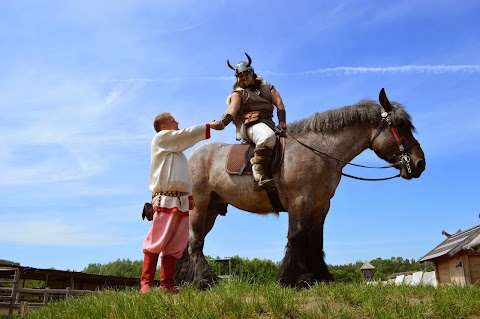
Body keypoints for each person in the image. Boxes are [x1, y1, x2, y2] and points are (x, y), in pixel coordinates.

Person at [140, 113, 223, 293]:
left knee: (176, 243)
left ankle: (167, 284)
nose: (177, 122)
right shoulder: (161, 138)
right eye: (172, 120)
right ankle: (146, 283)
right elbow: (184, 136)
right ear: (163, 126)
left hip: (180, 200)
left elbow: (183, 176)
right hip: (165, 198)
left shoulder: (177, 153)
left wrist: (190, 196)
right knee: (158, 239)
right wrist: (209, 127)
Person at [217, 53, 287, 191]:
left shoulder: (267, 86)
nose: (241, 80)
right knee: (267, 137)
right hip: (251, 125)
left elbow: (279, 102)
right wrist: (222, 123)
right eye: (238, 77)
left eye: (243, 76)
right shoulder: (239, 93)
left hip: (270, 124)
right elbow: (232, 109)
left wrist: (282, 121)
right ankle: (259, 175)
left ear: (250, 73)